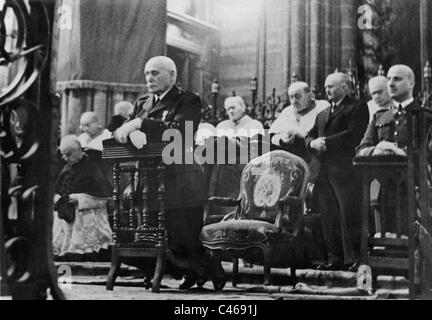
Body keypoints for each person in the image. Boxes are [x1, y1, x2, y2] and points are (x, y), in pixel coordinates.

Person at [113, 56, 225, 290]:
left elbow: (180, 133)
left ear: (172, 75)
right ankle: (167, 272)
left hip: (180, 179)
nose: (149, 78)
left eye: (155, 73)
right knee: (153, 236)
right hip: (149, 180)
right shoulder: (142, 102)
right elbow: (121, 133)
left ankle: (208, 269)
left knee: (184, 237)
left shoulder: (188, 100)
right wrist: (132, 132)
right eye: (146, 73)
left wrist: (139, 125)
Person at [305, 72, 369, 271]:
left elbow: (355, 133)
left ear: (344, 87)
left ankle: (353, 258)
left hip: (345, 171)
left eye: (331, 86)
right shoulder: (322, 113)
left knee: (348, 214)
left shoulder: (357, 107)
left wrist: (327, 143)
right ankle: (335, 258)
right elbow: (309, 135)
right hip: (323, 171)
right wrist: (312, 142)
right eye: (326, 87)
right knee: (328, 215)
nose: (327, 90)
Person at [356, 65, 419, 236]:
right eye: (389, 79)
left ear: (411, 83)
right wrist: (375, 150)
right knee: (386, 241)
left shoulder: (424, 116)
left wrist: (398, 151)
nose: (390, 83)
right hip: (385, 192)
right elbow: (361, 149)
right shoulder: (379, 117)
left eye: (397, 79)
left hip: (415, 191)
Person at [53, 135, 112, 258]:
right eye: (63, 155)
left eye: (68, 154)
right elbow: (58, 187)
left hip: (86, 210)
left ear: (79, 151)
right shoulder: (66, 166)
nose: (64, 158)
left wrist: (79, 199)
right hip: (66, 211)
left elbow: (102, 197)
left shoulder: (92, 168)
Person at [269, 81, 330, 182]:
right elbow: (272, 135)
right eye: (291, 97)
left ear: (309, 95)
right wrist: (282, 140)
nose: (293, 101)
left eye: (297, 96)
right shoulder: (287, 111)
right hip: (291, 161)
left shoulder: (322, 107)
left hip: (314, 159)